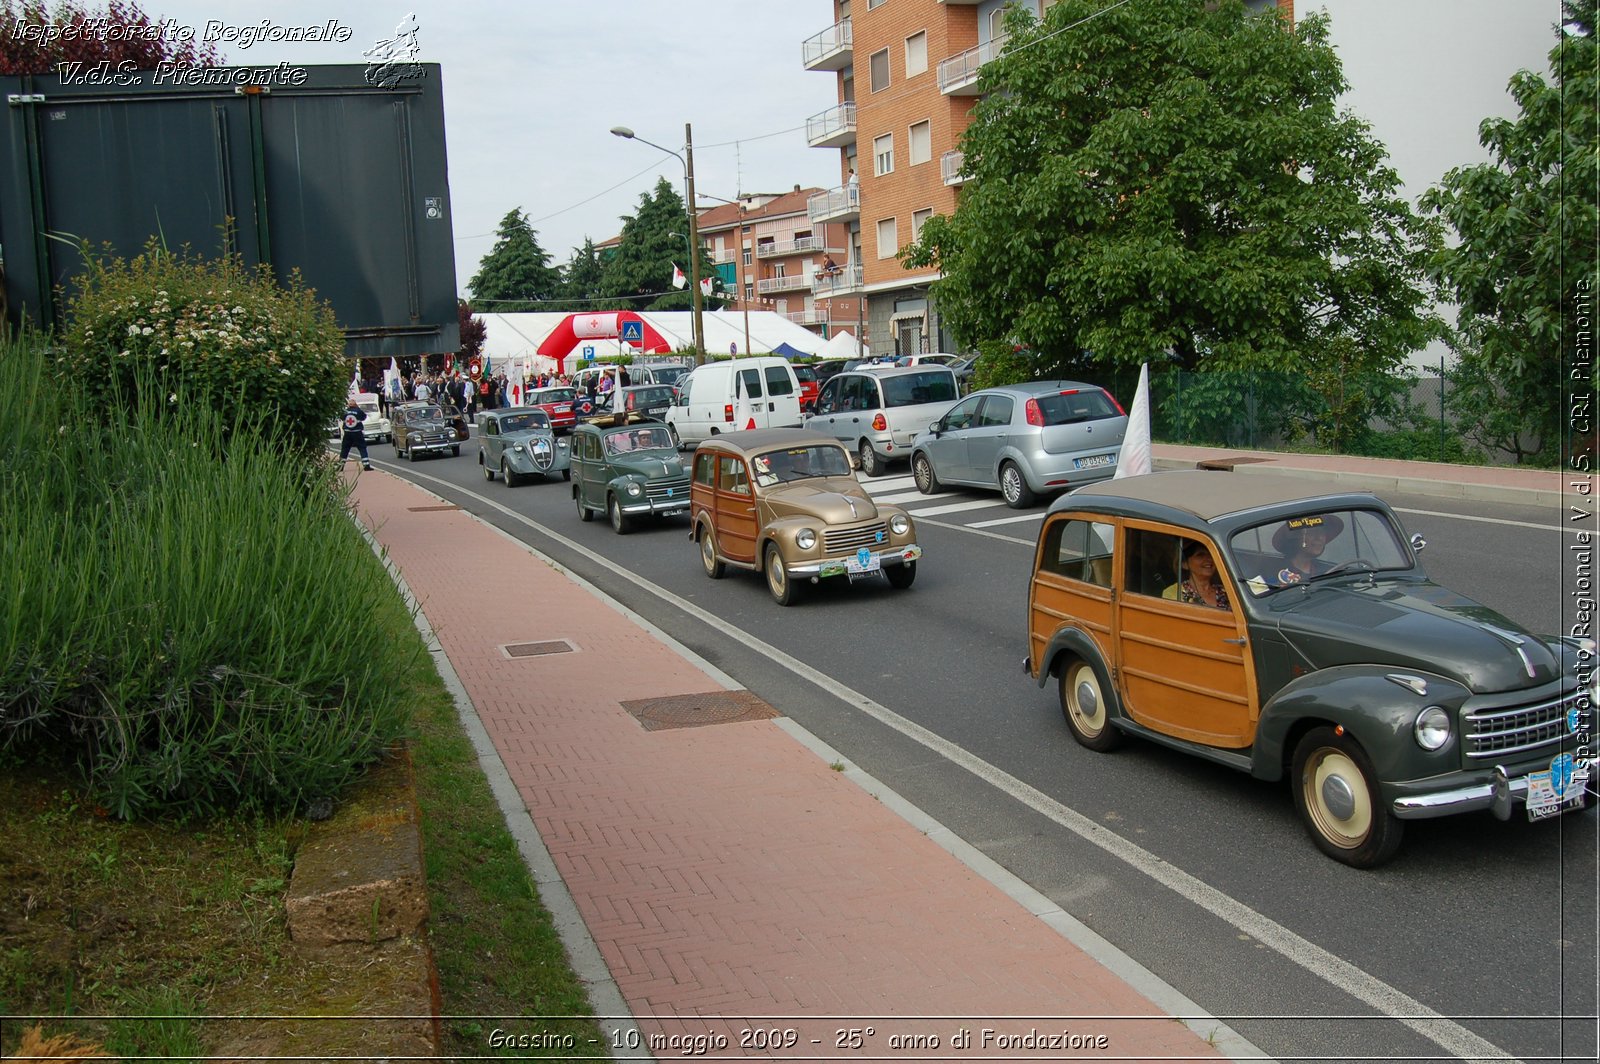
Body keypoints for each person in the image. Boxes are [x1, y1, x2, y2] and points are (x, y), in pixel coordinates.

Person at [1272, 515, 1343, 585]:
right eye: (1312, 532)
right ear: (1296, 538)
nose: (1319, 538)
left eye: (1322, 532)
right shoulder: (1277, 573)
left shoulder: (1329, 571)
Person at [1162, 541, 1229, 609]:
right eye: (1200, 555)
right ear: (1184, 564)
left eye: (1211, 554)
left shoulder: (1227, 591)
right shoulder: (1174, 592)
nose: (1209, 559)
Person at [338, 397, 373, 471]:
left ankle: (340, 466)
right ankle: (366, 465)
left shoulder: (345, 411)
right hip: (357, 432)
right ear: (355, 404)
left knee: (345, 449)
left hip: (347, 433)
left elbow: (341, 417)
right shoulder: (358, 411)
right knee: (362, 448)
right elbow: (364, 417)